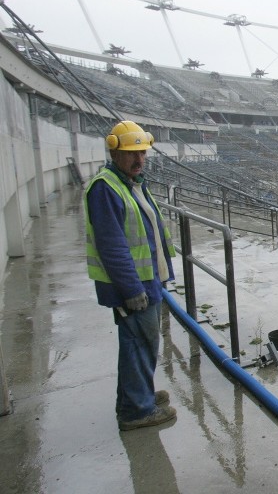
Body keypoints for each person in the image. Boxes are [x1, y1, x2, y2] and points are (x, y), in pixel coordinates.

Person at [84, 120, 177, 431]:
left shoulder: (128, 183)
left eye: (143, 153)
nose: (139, 160)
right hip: (135, 285)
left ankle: (137, 397)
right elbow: (112, 246)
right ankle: (137, 411)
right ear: (115, 153)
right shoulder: (106, 188)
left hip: (146, 279)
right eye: (132, 154)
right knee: (139, 343)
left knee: (142, 343)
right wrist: (131, 288)